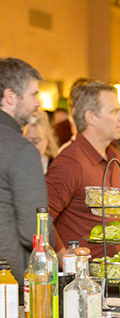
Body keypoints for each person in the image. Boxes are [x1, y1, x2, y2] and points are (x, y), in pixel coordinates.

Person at [46, 81, 120, 260]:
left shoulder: (114, 156)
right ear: (91, 117)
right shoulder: (70, 162)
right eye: (114, 111)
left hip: (113, 274)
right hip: (83, 280)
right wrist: (63, 258)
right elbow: (42, 218)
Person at [0, 57, 50, 299]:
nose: (38, 103)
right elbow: (35, 230)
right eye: (33, 94)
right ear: (10, 96)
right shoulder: (20, 150)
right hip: (7, 282)